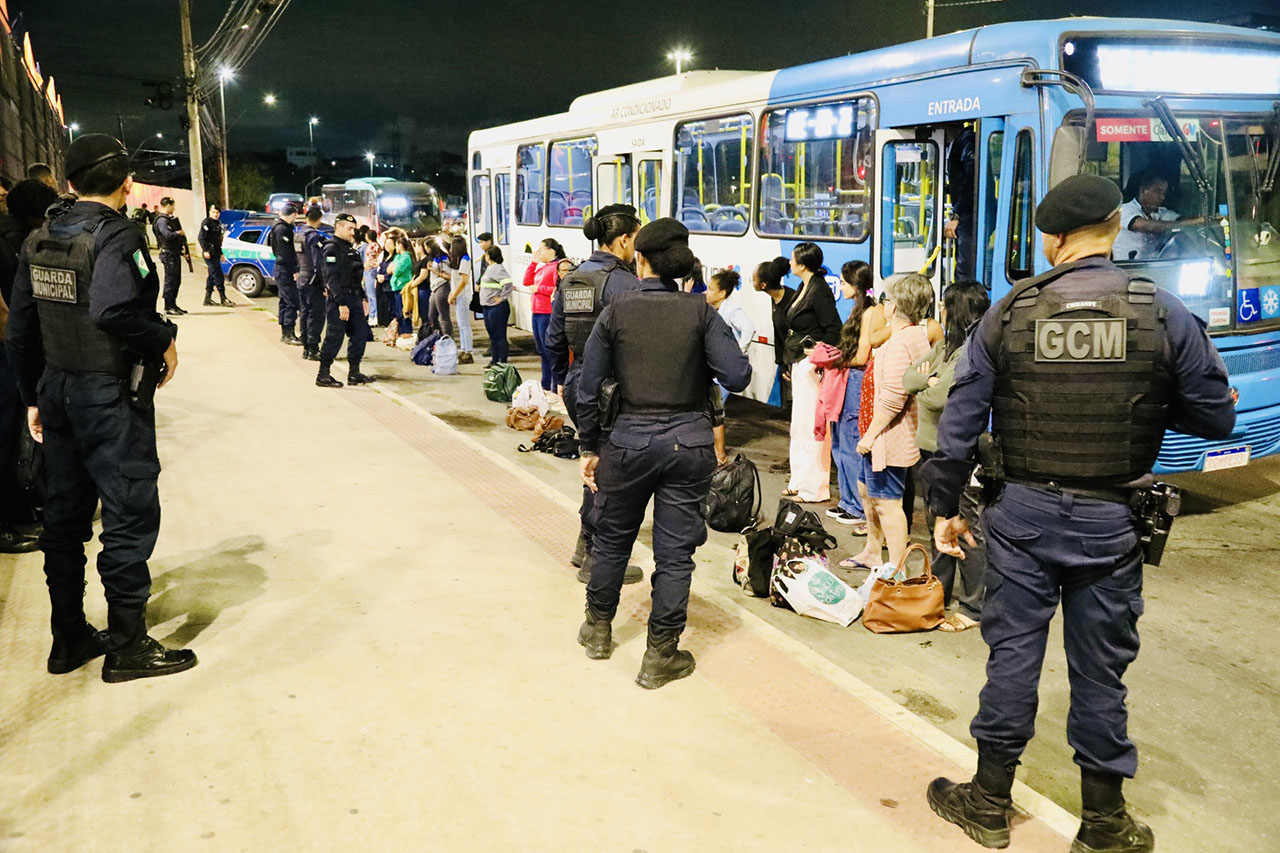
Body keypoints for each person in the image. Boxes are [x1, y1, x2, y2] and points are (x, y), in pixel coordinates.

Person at [922, 174, 1236, 853]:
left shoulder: (1010, 311)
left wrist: (943, 508)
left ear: (1051, 239)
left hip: (1022, 516)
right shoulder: (1162, 312)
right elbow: (1216, 415)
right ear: (1115, 228)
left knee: (1012, 656)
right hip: (1113, 520)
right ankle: (1103, 823)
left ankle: (988, 802)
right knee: (1100, 671)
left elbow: (959, 422)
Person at [5, 133, 197, 682]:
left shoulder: (40, 238)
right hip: (107, 396)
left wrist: (33, 399)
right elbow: (113, 310)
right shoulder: (117, 235)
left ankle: (68, 638)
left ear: (68, 182)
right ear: (127, 183)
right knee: (128, 513)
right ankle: (128, 645)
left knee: (64, 520)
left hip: (57, 391)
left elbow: (19, 331)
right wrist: (163, 339)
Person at [574, 218, 752, 688]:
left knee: (613, 540)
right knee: (675, 555)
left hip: (626, 443)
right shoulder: (701, 313)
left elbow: (588, 386)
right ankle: (660, 655)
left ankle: (598, 630)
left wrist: (589, 446)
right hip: (688, 445)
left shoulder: (617, 310)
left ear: (641, 259)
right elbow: (737, 376)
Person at [545, 204, 645, 583]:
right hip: (611, 390)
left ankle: (583, 547)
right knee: (610, 474)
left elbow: (554, 338)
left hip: (577, 383)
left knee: (594, 465)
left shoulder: (572, 277)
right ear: (624, 239)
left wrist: (561, 379)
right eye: (636, 239)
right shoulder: (623, 283)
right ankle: (597, 562)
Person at [902, 278, 989, 630]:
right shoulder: (945, 346)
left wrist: (927, 386)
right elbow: (908, 378)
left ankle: (973, 606)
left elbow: (940, 399)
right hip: (931, 450)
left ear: (958, 308)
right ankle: (939, 591)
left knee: (966, 526)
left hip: (958, 453)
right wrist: (929, 381)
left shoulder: (972, 350)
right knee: (938, 521)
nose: (939, 311)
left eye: (944, 305)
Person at [840, 273, 933, 569]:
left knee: (887, 503)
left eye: (885, 301)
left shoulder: (900, 343)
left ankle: (895, 569)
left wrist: (869, 436)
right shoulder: (914, 335)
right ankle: (871, 552)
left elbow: (894, 397)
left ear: (893, 306)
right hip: (880, 433)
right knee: (867, 491)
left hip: (886, 437)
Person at [0, 178, 60, 553]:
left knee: (14, 437)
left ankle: (19, 510)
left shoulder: (17, 237)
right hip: (8, 351)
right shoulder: (16, 241)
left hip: (13, 349)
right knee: (8, 436)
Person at [780, 242, 841, 502]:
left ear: (803, 264)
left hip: (811, 364)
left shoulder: (819, 291)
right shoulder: (805, 287)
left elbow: (834, 329)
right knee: (799, 427)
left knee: (812, 427)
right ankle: (798, 480)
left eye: (793, 259)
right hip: (799, 361)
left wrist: (817, 356)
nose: (789, 262)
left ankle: (814, 488)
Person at [826, 261, 874, 533]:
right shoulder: (857, 310)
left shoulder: (868, 313)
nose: (841, 287)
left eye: (844, 283)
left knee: (851, 443)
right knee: (839, 442)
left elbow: (862, 356)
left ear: (856, 285)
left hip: (856, 380)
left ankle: (857, 506)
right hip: (847, 378)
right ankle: (847, 502)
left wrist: (833, 361)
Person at [315, 214, 373, 389]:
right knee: (334, 337)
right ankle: (323, 374)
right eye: (349, 228)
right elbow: (331, 277)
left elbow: (355, 276)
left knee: (359, 335)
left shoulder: (349, 248)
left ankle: (354, 373)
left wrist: (362, 297)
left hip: (354, 298)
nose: (352, 232)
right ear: (338, 227)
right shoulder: (331, 248)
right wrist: (340, 303)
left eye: (353, 228)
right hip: (340, 299)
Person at [705, 269, 755, 464]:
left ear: (722, 293)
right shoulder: (713, 309)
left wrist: (737, 352)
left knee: (716, 410)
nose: (706, 292)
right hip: (716, 367)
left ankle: (720, 456)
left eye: (711, 289)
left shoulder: (732, 310)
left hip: (724, 368)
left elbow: (749, 329)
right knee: (714, 409)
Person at [1111, 170, 1211, 262]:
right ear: (1143, 191)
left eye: (1164, 193)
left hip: (1154, 268)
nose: (1162, 197)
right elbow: (1149, 226)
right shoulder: (1125, 210)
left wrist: (1210, 220)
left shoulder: (1163, 212)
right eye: (1158, 191)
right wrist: (1197, 221)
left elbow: (1182, 221)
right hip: (1126, 268)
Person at [753, 256, 797, 410]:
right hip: (787, 361)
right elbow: (779, 335)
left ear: (763, 285)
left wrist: (791, 364)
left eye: (754, 279)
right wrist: (782, 363)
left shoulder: (792, 300)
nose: (752, 282)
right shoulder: (775, 299)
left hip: (798, 360)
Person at [525, 237, 565, 391]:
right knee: (541, 351)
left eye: (541, 250)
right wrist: (533, 263)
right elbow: (527, 281)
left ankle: (555, 386)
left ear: (551, 251)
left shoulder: (556, 267)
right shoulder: (543, 267)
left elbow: (556, 289)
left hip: (547, 312)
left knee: (550, 351)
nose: (538, 252)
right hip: (536, 312)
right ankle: (545, 384)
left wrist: (539, 289)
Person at [944, 124, 977, 279]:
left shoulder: (967, 140)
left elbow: (972, 179)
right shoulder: (960, 141)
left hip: (970, 213)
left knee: (965, 270)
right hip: (968, 211)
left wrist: (957, 215)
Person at [269, 203, 302, 344]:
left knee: (284, 301)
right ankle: (289, 334)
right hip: (285, 270)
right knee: (291, 302)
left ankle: (285, 333)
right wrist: (294, 270)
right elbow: (285, 253)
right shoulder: (283, 229)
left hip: (281, 269)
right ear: (293, 215)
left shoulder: (277, 227)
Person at [477, 246, 512, 365]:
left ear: (489, 256)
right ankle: (494, 360)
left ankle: (502, 362)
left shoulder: (497, 268)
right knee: (492, 336)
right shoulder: (489, 268)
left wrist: (502, 297)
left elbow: (508, 284)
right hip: (488, 307)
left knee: (499, 335)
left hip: (497, 308)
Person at [152, 196, 186, 316]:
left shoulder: (168, 219)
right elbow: (167, 235)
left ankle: (173, 304)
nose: (174, 208)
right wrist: (178, 233)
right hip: (168, 253)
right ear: (168, 206)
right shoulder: (162, 220)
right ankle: (168, 306)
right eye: (173, 206)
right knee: (170, 280)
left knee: (176, 280)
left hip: (174, 253)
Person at [198, 202, 233, 308]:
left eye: (217, 212)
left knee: (212, 275)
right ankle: (223, 297)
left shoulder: (218, 224)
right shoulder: (207, 223)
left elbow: (218, 241)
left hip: (216, 252)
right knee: (217, 274)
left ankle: (207, 298)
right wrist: (205, 250)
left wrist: (221, 254)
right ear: (210, 212)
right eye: (213, 212)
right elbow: (201, 237)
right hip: (209, 252)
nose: (215, 214)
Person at [447, 235, 475, 363]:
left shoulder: (465, 260)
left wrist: (454, 295)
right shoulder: (458, 260)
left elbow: (463, 281)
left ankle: (468, 351)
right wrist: (452, 294)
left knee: (464, 325)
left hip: (463, 295)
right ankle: (463, 349)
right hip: (458, 294)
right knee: (460, 324)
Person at [387, 235, 416, 338]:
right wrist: (392, 268)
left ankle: (406, 332)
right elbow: (388, 269)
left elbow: (397, 271)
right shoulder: (397, 257)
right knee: (398, 312)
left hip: (403, 287)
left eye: (396, 245)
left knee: (404, 311)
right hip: (395, 287)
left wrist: (393, 268)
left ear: (400, 245)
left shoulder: (406, 257)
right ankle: (401, 333)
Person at [358, 227, 381, 326]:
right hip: (367, 270)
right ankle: (372, 315)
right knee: (369, 294)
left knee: (372, 295)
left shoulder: (374, 246)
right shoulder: (370, 245)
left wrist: (367, 265)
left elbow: (372, 259)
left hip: (371, 270)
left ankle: (374, 315)